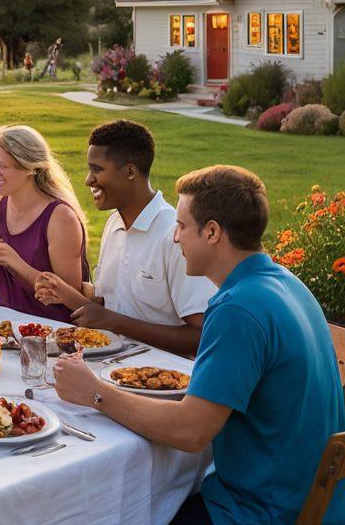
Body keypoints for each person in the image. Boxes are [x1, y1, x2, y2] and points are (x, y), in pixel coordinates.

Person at [54, 165, 345, 525]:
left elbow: (191, 433)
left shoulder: (239, 308)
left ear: (212, 232)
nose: (175, 236)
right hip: (325, 509)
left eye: (182, 225)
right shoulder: (283, 281)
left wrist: (95, 393)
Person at [35, 119, 214, 355]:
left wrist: (114, 322)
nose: (88, 180)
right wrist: (66, 294)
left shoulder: (174, 234)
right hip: (106, 361)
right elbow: (108, 307)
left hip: (159, 372)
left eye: (97, 169)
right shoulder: (114, 224)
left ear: (130, 172)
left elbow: (202, 336)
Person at [0, 125, 88, 321]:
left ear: (30, 167)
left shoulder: (60, 217)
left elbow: (72, 300)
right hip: (2, 324)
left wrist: (13, 261)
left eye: (1, 165)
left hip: (52, 329)